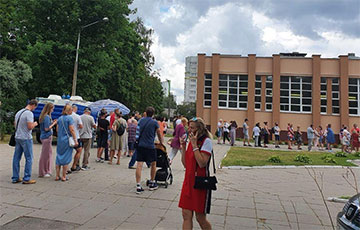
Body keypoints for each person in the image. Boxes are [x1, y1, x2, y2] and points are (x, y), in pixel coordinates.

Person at [179, 117, 212, 229]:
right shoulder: (191, 141)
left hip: (200, 183)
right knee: (186, 215)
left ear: (199, 129)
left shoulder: (206, 142)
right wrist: (183, 147)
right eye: (189, 127)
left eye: (192, 127)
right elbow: (185, 164)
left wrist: (194, 146)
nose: (189, 130)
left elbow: (202, 163)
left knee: (200, 218)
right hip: (188, 182)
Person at [135, 107, 164, 194]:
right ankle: (152, 182)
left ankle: (138, 185)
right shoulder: (154, 122)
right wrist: (161, 142)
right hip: (150, 146)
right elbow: (159, 133)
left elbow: (137, 132)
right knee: (153, 163)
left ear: (146, 113)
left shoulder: (140, 121)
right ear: (153, 114)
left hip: (140, 145)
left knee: (139, 164)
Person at [12, 99, 38, 184]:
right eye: (35, 107)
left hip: (18, 137)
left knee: (16, 158)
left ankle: (15, 177)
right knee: (29, 158)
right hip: (26, 138)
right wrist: (35, 124)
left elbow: (15, 124)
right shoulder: (29, 113)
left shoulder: (19, 112)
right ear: (33, 105)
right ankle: (26, 178)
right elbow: (30, 126)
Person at [56, 104, 78, 181]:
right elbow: (72, 130)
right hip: (67, 140)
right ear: (69, 111)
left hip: (60, 140)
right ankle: (64, 176)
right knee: (66, 157)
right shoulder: (69, 118)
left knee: (58, 156)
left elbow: (57, 130)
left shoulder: (60, 118)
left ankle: (57, 175)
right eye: (71, 110)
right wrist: (75, 139)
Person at [38, 103, 57, 177]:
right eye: (52, 108)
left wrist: (52, 122)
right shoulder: (46, 117)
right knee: (45, 155)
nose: (53, 110)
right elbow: (46, 128)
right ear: (49, 108)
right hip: (46, 137)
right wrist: (54, 124)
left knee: (48, 154)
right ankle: (44, 171)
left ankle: (46, 170)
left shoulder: (44, 116)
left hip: (45, 137)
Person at [70, 105, 83, 172]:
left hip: (67, 136)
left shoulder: (65, 116)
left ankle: (65, 167)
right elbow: (81, 126)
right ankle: (74, 165)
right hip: (76, 136)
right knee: (79, 150)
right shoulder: (77, 116)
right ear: (75, 109)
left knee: (68, 152)